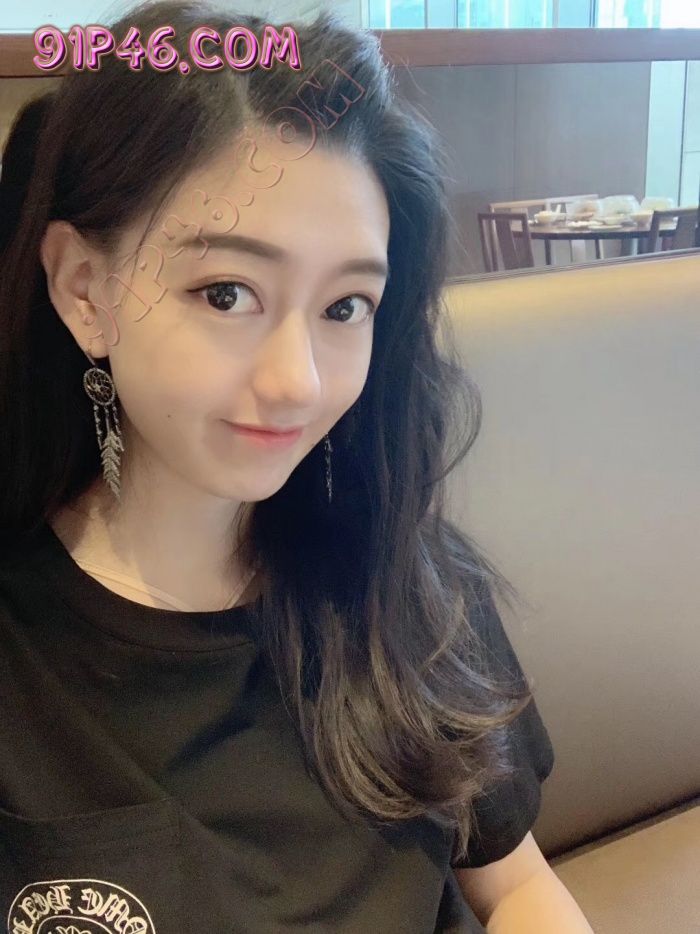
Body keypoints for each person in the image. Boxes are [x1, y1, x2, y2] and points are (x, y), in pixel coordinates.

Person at [0, 2, 590, 931]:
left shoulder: (402, 579)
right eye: (226, 293)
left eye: (345, 306)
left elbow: (514, 885)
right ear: (84, 288)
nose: (298, 382)